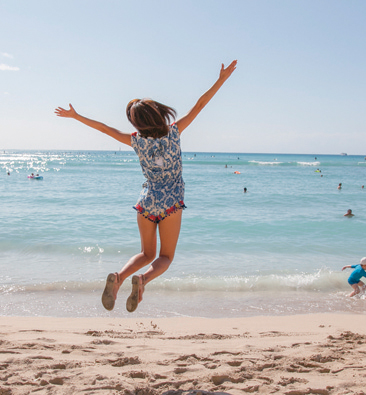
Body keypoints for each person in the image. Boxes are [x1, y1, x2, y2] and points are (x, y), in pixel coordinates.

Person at [55, 60, 237, 312]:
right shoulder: (175, 132)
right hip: (171, 203)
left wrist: (75, 117)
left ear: (136, 123)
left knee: (146, 253)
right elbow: (200, 104)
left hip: (147, 200)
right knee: (165, 257)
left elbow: (105, 129)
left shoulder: (135, 141)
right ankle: (142, 281)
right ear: (159, 113)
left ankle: (118, 278)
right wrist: (222, 79)